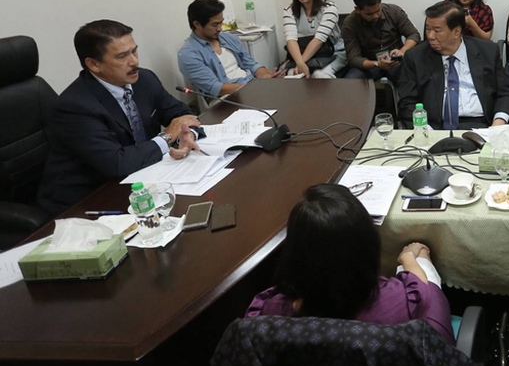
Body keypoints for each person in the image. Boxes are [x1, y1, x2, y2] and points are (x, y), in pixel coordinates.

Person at [245, 183, 455, 344]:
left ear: (294, 254)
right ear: (369, 245)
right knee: (421, 259)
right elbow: (423, 290)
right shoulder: (401, 300)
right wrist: (408, 258)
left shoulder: (269, 314)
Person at [38, 20, 202, 215]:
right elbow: (117, 163)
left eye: (134, 51)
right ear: (94, 64)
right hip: (88, 200)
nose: (134, 62)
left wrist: (187, 134)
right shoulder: (75, 106)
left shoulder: (145, 80)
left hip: (143, 179)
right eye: (122, 56)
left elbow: (182, 113)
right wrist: (168, 136)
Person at [398, 1, 509, 129]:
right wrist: (425, 129)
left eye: (437, 30)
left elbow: (505, 93)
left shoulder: (488, 51)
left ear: (456, 32)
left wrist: (498, 124)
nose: (430, 36)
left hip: (482, 125)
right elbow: (407, 103)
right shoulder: (415, 57)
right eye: (428, 29)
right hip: (434, 128)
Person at [178, 0, 282, 97]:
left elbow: (250, 64)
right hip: (227, 96)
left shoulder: (228, 38)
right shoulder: (188, 54)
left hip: (251, 85)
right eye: (215, 24)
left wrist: (266, 76)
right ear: (197, 24)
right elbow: (217, 88)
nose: (220, 28)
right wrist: (255, 87)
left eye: (221, 22)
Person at [342, 0, 420, 82]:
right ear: (357, 9)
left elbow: (414, 34)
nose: (375, 16)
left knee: (414, 75)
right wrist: (377, 64)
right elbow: (353, 58)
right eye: (369, 14)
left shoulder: (394, 12)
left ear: (380, 4)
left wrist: (402, 51)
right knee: (350, 81)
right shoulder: (350, 23)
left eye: (378, 11)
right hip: (370, 64)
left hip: (395, 60)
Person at [282, 0, 346, 79]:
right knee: (293, 74)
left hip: (333, 54)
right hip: (302, 55)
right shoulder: (289, 10)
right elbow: (291, 39)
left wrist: (301, 63)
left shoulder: (329, 8)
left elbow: (319, 39)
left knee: (319, 76)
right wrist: (300, 63)